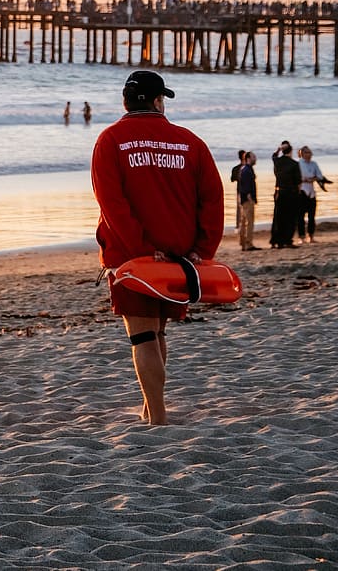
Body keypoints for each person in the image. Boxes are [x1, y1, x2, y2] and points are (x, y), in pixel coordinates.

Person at [91, 70, 224, 426]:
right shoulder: (189, 142)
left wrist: (140, 248)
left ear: (125, 101)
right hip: (179, 257)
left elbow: (112, 203)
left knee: (143, 335)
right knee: (158, 331)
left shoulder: (111, 140)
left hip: (131, 257)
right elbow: (212, 199)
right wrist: (202, 249)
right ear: (157, 100)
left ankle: (157, 416)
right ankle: (153, 408)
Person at [270, 141, 302, 248]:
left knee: (278, 217)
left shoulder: (277, 162)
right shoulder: (294, 164)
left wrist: (279, 149)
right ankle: (287, 239)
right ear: (291, 151)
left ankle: (276, 239)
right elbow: (298, 182)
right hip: (291, 192)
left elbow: (273, 156)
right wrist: (298, 193)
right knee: (290, 217)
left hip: (279, 191)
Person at [296, 146, 329, 243]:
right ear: (302, 154)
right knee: (300, 216)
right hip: (302, 190)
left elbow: (319, 175)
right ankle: (301, 237)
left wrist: (313, 178)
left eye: (310, 153)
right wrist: (306, 179)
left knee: (312, 215)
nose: (309, 155)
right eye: (306, 153)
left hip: (311, 190)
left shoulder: (314, 164)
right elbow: (298, 177)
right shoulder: (298, 164)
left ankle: (311, 235)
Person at [237, 152, 259, 250]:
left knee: (244, 221)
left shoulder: (245, 169)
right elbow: (246, 186)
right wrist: (250, 197)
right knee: (249, 221)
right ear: (249, 158)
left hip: (244, 199)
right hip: (247, 200)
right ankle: (248, 243)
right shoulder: (246, 170)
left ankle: (243, 242)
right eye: (254, 157)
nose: (256, 159)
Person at [230, 149, 247, 228]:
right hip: (240, 190)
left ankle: (241, 225)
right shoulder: (237, 168)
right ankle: (239, 225)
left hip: (243, 190)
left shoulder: (245, 167)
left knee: (243, 209)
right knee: (240, 209)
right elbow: (232, 179)